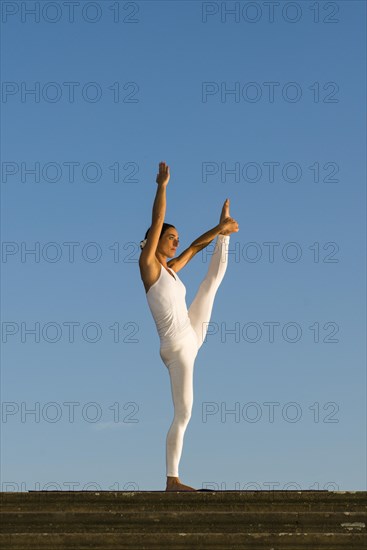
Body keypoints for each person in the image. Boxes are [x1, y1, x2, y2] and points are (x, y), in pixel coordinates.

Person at [139, 161, 239, 491]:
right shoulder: (149, 267)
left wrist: (219, 227)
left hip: (191, 334)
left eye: (176, 238)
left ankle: (227, 237)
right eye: (171, 238)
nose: (176, 243)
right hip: (177, 348)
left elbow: (195, 247)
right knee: (184, 414)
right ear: (154, 241)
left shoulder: (170, 269)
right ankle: (172, 480)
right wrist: (162, 186)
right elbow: (156, 220)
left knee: (210, 284)